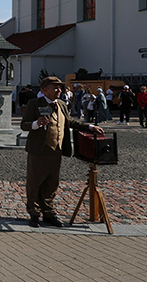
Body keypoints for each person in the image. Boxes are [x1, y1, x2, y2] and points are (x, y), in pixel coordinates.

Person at [20, 77, 104, 228]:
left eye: (60, 88)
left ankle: (48, 213)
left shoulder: (62, 104)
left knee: (52, 183)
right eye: (55, 88)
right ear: (45, 90)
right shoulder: (34, 104)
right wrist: (36, 123)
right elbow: (24, 125)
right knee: (35, 182)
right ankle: (34, 213)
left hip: (56, 150)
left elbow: (70, 121)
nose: (59, 90)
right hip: (39, 150)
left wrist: (90, 127)